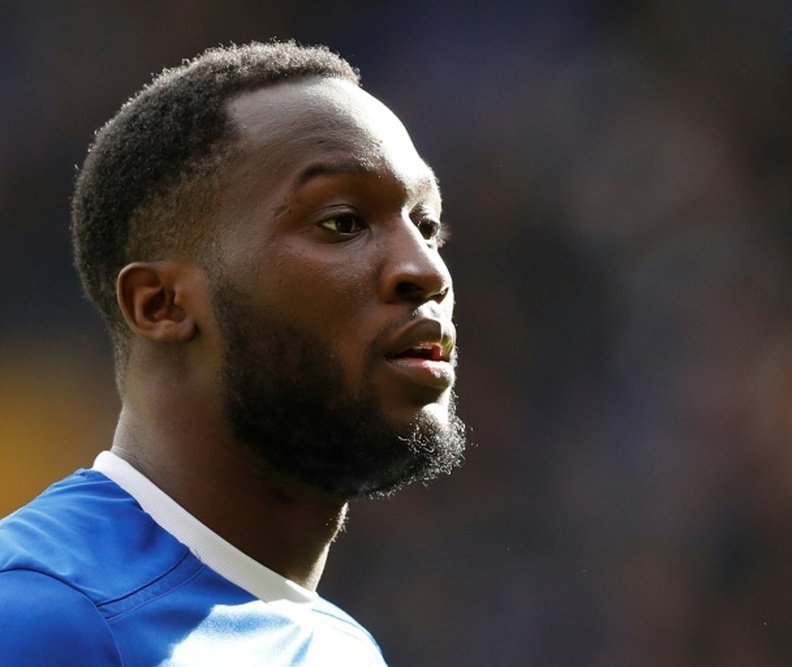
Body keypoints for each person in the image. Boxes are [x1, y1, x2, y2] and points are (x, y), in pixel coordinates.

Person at [0, 41, 467, 665]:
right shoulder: (42, 618)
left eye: (426, 224)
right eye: (342, 221)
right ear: (161, 305)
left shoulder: (343, 648)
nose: (426, 269)